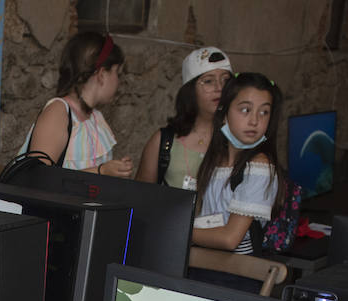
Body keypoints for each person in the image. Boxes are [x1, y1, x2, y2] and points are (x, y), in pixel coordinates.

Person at [189, 72, 286, 288]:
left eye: (264, 112)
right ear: (224, 113)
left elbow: (230, 239)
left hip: (234, 276)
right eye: (245, 110)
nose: (254, 120)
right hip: (201, 266)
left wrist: (181, 232)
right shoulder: (214, 162)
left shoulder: (259, 166)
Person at [18, 31, 133, 178]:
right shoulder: (58, 112)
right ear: (102, 74)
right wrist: (101, 171)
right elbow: (38, 177)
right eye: (117, 72)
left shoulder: (96, 118)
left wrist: (115, 170)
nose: (119, 81)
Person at [134, 47, 233, 189]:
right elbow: (140, 197)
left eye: (225, 80)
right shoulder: (164, 141)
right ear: (190, 90)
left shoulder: (237, 140)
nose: (219, 87)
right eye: (209, 81)